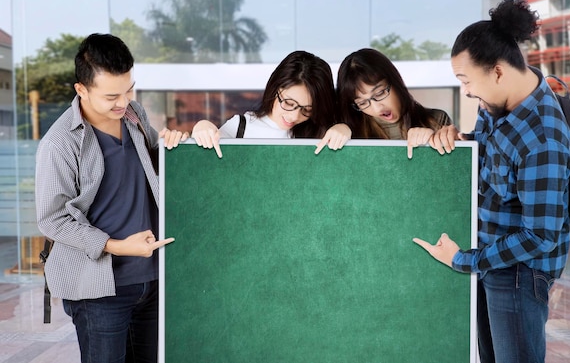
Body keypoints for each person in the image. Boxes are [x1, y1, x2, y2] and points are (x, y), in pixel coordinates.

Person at [412, 0, 570, 363]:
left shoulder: (543, 137)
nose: (466, 91)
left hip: (519, 274)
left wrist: (465, 260)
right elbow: (489, 156)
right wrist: (459, 139)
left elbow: (540, 235)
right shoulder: (495, 104)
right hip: (491, 261)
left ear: (498, 71)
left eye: (466, 81)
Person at [35, 33, 187, 363]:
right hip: (99, 292)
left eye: (129, 90)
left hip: (150, 281)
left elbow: (150, 169)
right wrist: (117, 246)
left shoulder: (133, 115)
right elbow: (53, 219)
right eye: (111, 96)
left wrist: (174, 145)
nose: (123, 101)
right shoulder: (59, 143)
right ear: (81, 90)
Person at [192, 50, 350, 156]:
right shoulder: (241, 127)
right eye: (289, 103)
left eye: (307, 110)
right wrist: (203, 127)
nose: (294, 116)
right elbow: (209, 157)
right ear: (275, 89)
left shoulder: (320, 133)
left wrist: (343, 129)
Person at [336, 48, 451, 158]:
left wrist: (432, 143)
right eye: (362, 103)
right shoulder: (351, 133)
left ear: (395, 81)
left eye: (380, 93)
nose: (376, 108)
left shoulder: (437, 120)